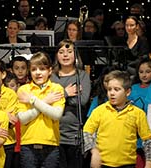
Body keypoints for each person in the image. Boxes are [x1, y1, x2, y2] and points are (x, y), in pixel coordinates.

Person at [83, 70, 151, 168]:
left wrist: (149, 162)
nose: (112, 93)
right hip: (103, 164)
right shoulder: (99, 111)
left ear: (128, 92)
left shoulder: (137, 113)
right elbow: (87, 132)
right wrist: (94, 150)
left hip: (127, 164)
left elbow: (148, 140)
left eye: (116, 89)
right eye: (109, 89)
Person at [16, 52, 66, 168]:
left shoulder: (56, 88)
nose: (38, 72)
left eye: (42, 69)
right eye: (33, 69)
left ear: (49, 71)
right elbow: (23, 119)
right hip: (28, 145)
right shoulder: (23, 89)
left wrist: (33, 101)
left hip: (51, 144)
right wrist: (45, 101)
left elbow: (56, 114)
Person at [50, 40, 90, 168]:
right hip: (54, 134)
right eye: (61, 52)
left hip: (74, 135)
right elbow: (47, 100)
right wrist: (66, 93)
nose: (65, 55)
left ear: (75, 55)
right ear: (57, 55)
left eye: (69, 51)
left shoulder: (82, 75)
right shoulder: (52, 77)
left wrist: (58, 97)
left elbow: (82, 100)